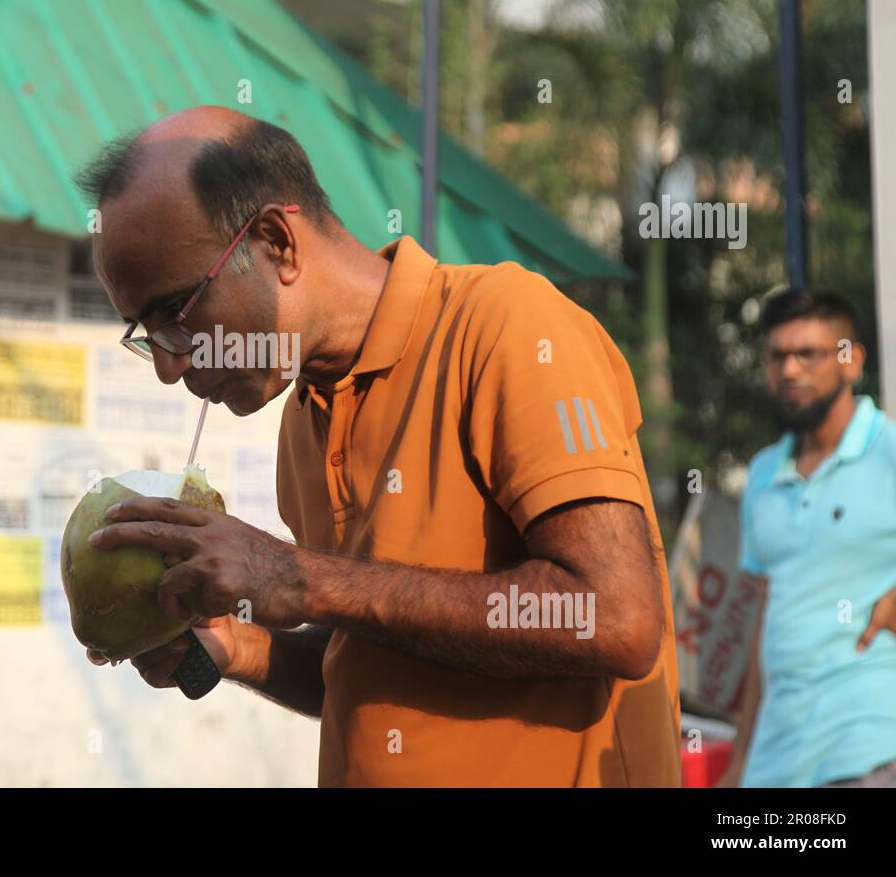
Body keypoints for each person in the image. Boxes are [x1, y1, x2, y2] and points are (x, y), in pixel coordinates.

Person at [74, 105, 680, 786]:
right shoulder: (304, 420)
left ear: (277, 241)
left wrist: (299, 577)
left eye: (177, 316)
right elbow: (368, 661)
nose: (169, 364)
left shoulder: (506, 327)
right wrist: (234, 645)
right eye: (145, 334)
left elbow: (617, 618)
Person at [719, 288, 896, 788]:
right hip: (775, 763)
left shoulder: (888, 451)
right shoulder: (762, 474)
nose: (790, 371)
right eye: (778, 356)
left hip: (868, 747)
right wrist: (738, 762)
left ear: (849, 359)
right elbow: (765, 622)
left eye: (808, 354)